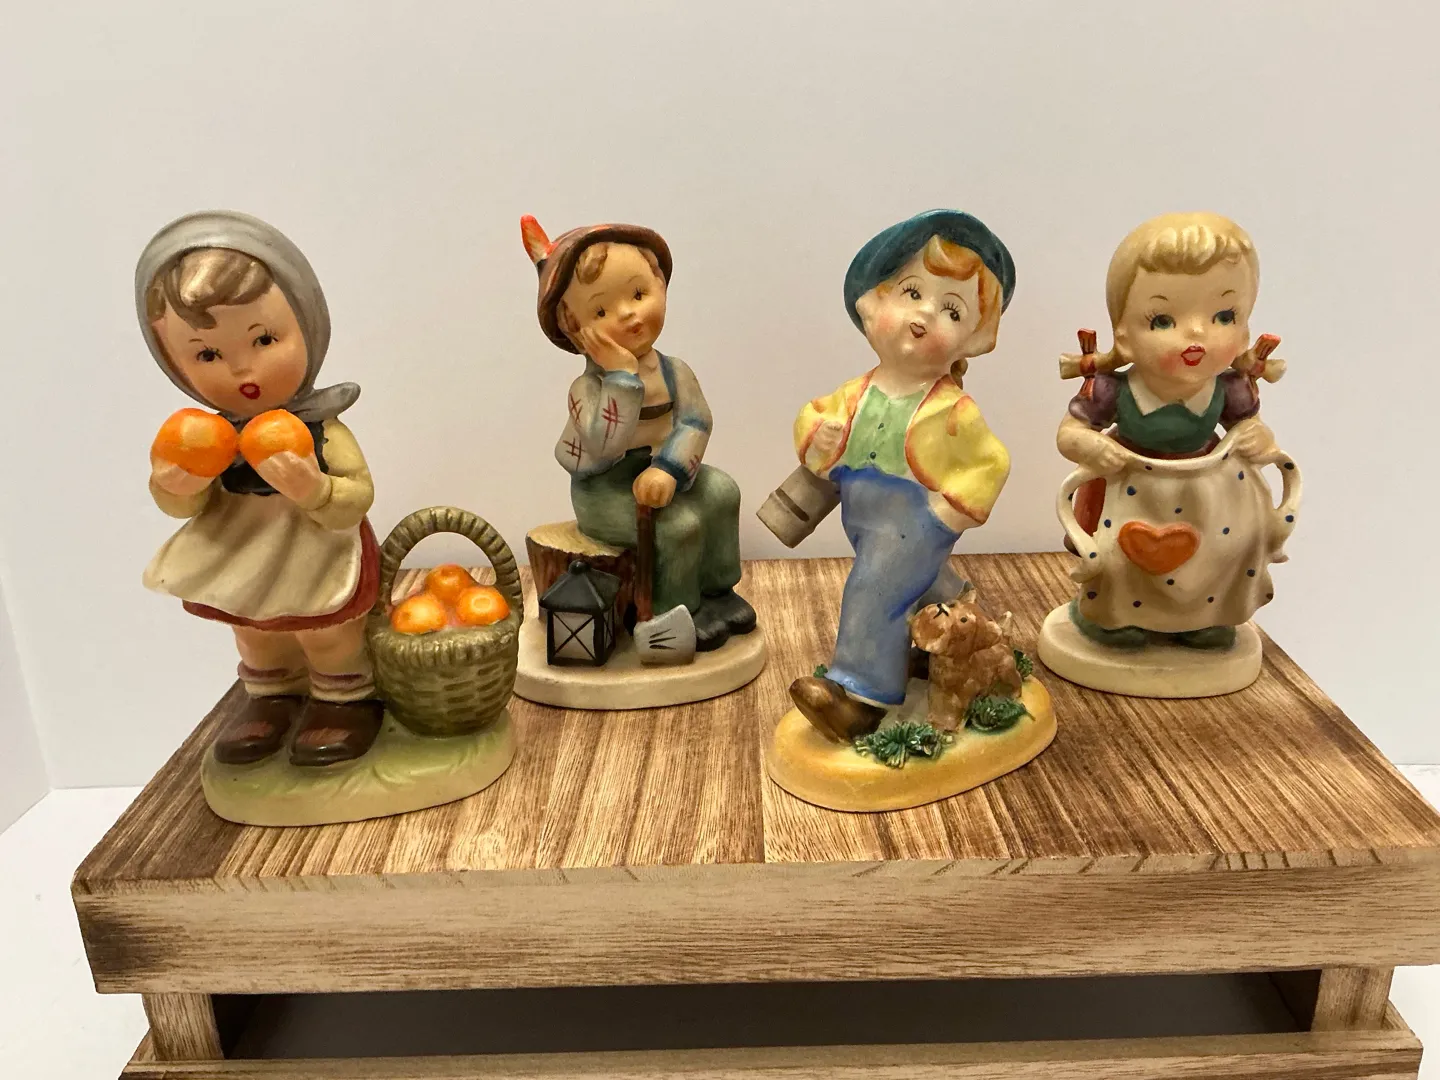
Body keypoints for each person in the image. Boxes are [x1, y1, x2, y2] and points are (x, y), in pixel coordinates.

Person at [139, 211, 383, 767]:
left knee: (329, 635)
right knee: (255, 634)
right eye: (207, 354)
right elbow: (185, 505)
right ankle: (272, 697)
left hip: (315, 552)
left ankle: (344, 701)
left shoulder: (323, 429)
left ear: (307, 325)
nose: (241, 369)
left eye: (264, 338)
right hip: (241, 552)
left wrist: (314, 487)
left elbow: (356, 497)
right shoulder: (203, 436)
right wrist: (177, 485)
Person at [784, 210, 1014, 741]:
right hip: (864, 519)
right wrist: (818, 437)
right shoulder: (854, 392)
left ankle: (861, 697)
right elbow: (812, 416)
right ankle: (959, 638)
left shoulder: (953, 410)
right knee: (918, 585)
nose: (925, 315)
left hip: (915, 520)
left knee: (875, 588)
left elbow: (992, 461)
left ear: (972, 339)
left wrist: (945, 512)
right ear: (873, 304)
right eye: (912, 293)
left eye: (952, 310)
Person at [522, 216, 754, 651]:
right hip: (605, 490)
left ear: (661, 285)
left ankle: (718, 591)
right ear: (575, 330)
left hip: (664, 472)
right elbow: (604, 444)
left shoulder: (674, 371)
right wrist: (622, 377)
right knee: (679, 526)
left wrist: (668, 468)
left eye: (638, 294)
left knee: (722, 492)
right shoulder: (586, 390)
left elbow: (696, 421)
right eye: (601, 311)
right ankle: (674, 611)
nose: (628, 313)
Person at [1057, 211, 1280, 648]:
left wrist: (1260, 439)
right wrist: (1089, 446)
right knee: (1119, 560)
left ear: (1244, 331)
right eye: (1162, 320)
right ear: (1123, 335)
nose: (1196, 333)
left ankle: (1202, 617)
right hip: (1130, 490)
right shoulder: (1113, 389)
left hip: (1206, 493)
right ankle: (1112, 617)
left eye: (1223, 315)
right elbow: (1069, 433)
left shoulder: (1229, 389)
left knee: (1214, 555)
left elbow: (1252, 427)